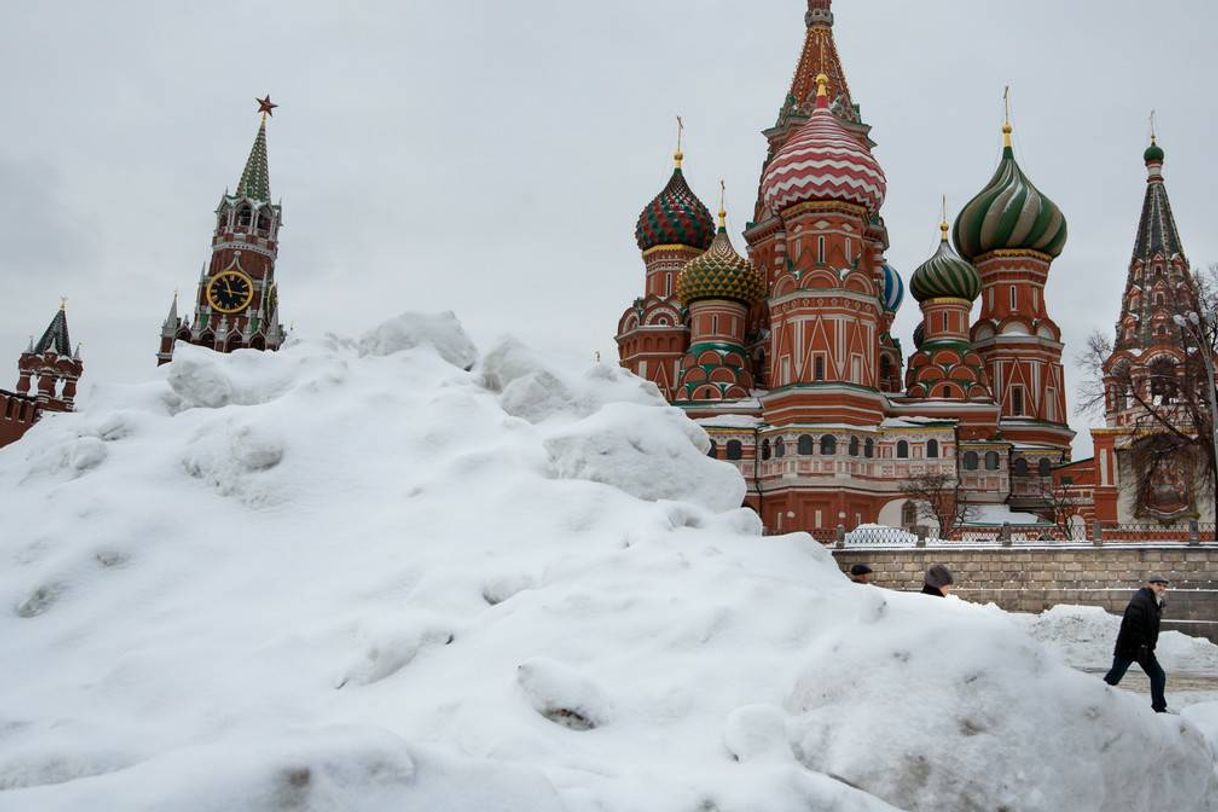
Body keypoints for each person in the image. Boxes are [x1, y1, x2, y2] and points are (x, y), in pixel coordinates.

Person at [1103, 575, 1170, 713]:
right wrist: (1142, 645)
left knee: (1158, 675)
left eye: (1164, 586)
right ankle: (1094, 696)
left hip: (1144, 649)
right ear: (1150, 585)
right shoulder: (1140, 600)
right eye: (1158, 585)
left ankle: (1159, 707)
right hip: (1129, 648)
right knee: (1114, 678)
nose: (1162, 588)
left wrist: (1147, 646)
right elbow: (1133, 624)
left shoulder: (1155, 602)